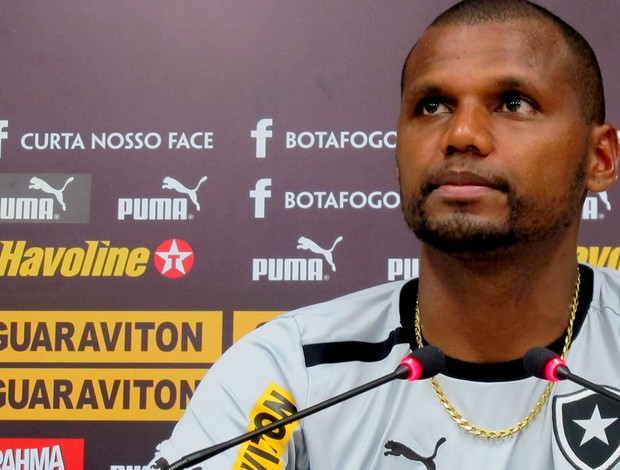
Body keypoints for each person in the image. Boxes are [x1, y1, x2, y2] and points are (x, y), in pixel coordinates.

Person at [148, 0, 620, 468]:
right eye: (431, 105)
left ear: (599, 159)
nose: (462, 133)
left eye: (513, 103)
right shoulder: (293, 371)